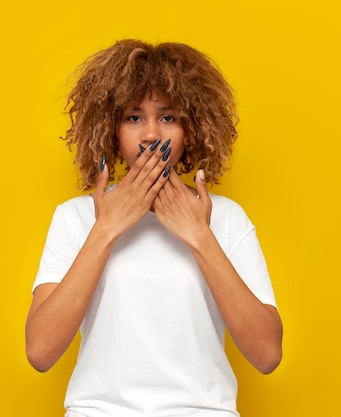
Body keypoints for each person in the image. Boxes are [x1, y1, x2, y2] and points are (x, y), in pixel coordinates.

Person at [25, 39, 283, 417]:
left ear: (191, 128)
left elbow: (267, 354)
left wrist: (199, 236)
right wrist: (106, 230)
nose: (150, 135)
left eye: (167, 117)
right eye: (133, 117)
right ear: (111, 128)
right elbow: (40, 351)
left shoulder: (225, 217)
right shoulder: (76, 217)